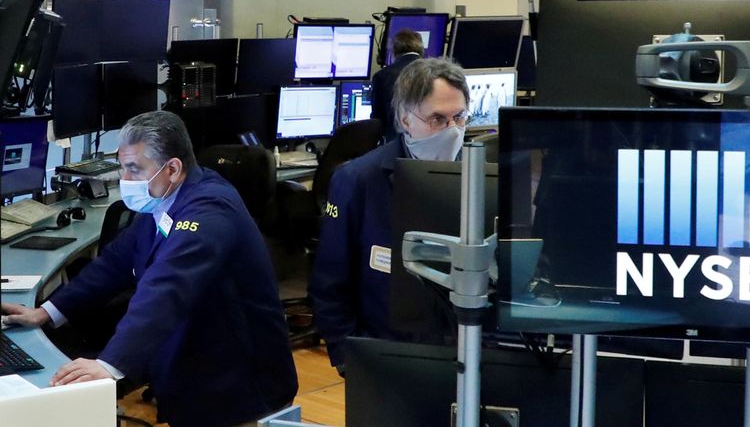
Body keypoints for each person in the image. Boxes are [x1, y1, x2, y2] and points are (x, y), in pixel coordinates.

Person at [1, 111, 297, 427]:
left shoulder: (209, 210)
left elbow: (166, 289)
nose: (125, 180)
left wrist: (110, 365)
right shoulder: (164, 200)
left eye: (134, 169)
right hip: (192, 367)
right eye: (123, 168)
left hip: (240, 383)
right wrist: (47, 312)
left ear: (172, 168)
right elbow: (115, 262)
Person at [309, 58, 470, 372]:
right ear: (405, 119)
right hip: (384, 356)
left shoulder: (482, 176)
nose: (451, 131)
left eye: (459, 117)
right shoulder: (357, 181)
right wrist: (349, 359)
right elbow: (329, 284)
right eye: (437, 119)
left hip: (464, 354)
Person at [371, 28, 424, 143]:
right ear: (421, 50)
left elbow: (377, 119)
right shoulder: (437, 72)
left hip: (396, 143)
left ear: (394, 52)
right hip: (431, 141)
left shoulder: (382, 76)